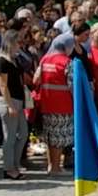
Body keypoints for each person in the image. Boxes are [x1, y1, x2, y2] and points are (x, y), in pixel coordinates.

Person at [36, 34, 76, 175]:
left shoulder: (45, 59)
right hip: (63, 105)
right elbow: (72, 86)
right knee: (59, 138)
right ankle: (56, 168)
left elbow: (36, 79)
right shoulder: (67, 62)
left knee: (50, 136)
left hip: (46, 103)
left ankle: (51, 166)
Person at [0, 23, 29, 180]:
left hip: (18, 100)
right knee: (9, 136)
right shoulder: (2, 61)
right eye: (17, 42)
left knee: (23, 133)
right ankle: (8, 168)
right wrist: (9, 105)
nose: (19, 45)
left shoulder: (14, 59)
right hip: (8, 101)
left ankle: (15, 163)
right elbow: (3, 85)